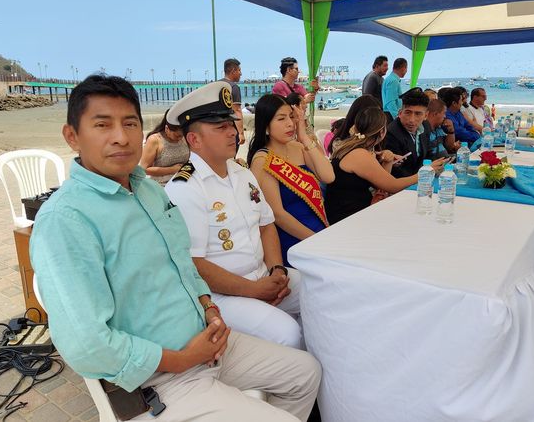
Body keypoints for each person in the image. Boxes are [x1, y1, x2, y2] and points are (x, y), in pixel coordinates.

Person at [30, 75, 320, 422]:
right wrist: (181, 359)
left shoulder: (150, 192)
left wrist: (209, 307)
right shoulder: (66, 220)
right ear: (72, 136)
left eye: (130, 123)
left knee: (306, 373)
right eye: (102, 125)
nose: (120, 136)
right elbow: (86, 344)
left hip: (209, 341)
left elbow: (184, 264)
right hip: (161, 377)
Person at [165, 82, 304, 350]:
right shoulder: (185, 188)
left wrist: (277, 270)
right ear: (194, 140)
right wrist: (254, 290)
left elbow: (266, 225)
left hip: (263, 275)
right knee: (288, 334)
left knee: (323, 293)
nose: (232, 132)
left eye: (231, 124)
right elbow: (194, 264)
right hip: (222, 295)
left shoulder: (242, 173)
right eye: (220, 127)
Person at [247, 94, 335, 267]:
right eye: (281, 119)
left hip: (318, 229)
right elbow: (278, 215)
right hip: (293, 239)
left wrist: (304, 137)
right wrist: (315, 240)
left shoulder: (298, 147)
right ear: (266, 126)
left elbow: (328, 176)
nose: (290, 123)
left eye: (291, 116)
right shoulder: (263, 159)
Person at [325, 107, 438, 224]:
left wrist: (387, 161)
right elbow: (393, 186)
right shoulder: (360, 155)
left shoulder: (353, 147)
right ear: (382, 132)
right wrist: (425, 172)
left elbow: (381, 185)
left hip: (346, 210)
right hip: (347, 217)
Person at [385, 88, 448, 178]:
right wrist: (427, 170)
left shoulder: (425, 126)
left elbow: (428, 154)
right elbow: (397, 172)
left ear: (426, 115)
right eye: (408, 113)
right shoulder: (392, 134)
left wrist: (438, 165)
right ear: (400, 113)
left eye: (418, 114)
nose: (412, 120)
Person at [139, 110, 189, 186]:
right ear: (167, 128)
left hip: (185, 181)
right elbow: (144, 169)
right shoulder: (155, 140)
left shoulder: (184, 137)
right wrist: (171, 170)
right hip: (162, 185)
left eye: (182, 136)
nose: (180, 138)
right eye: (177, 136)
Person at [219, 58, 246, 149]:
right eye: (239, 70)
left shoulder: (216, 85)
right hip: (229, 129)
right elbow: (236, 111)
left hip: (216, 128)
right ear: (233, 71)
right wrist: (241, 133)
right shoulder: (233, 87)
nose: (241, 73)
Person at [382, 58, 408, 122]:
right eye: (406, 68)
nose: (406, 71)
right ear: (403, 68)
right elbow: (390, 102)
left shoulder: (390, 79)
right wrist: (397, 118)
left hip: (389, 114)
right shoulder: (393, 80)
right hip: (390, 115)